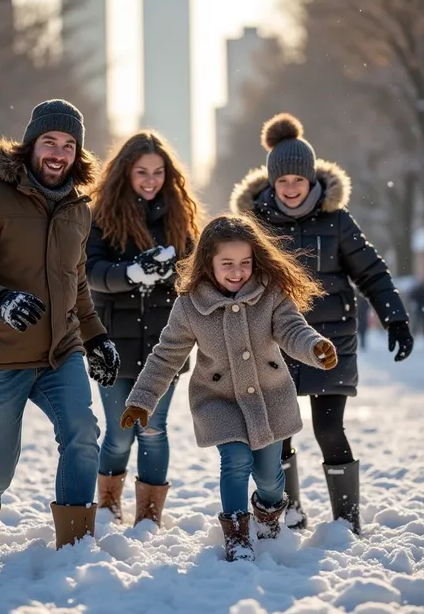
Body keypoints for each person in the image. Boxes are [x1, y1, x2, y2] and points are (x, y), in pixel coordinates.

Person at [230, 112, 413, 534]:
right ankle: (289, 513)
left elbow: (371, 272)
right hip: (274, 344)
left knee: (329, 428)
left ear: (311, 181)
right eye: (283, 182)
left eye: (299, 180)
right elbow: (235, 274)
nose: (291, 189)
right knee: (282, 433)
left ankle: (346, 522)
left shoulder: (336, 221)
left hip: (331, 342)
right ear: (272, 183)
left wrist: (395, 317)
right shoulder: (256, 224)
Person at [0, 99, 120, 548]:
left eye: (68, 145)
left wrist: (96, 336)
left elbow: (76, 282)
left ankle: (76, 541)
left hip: (60, 352)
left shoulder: (78, 208)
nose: (58, 153)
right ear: (30, 145)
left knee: (84, 437)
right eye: (50, 141)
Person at [120, 214, 338, 562]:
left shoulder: (270, 293)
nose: (237, 272)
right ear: (209, 262)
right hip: (218, 401)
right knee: (234, 462)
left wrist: (314, 347)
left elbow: (292, 329)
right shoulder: (190, 305)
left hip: (269, 399)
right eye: (227, 264)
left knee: (268, 477)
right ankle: (237, 535)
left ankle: (268, 516)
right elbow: (166, 355)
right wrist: (142, 400)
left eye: (244, 263)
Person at [86, 130, 200, 527]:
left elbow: (195, 275)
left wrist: (171, 273)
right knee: (119, 434)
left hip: (164, 346)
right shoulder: (100, 215)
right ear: (125, 173)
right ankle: (107, 504)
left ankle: (149, 514)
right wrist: (132, 273)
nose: (151, 180)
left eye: (158, 172)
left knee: (153, 429)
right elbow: (91, 273)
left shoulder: (180, 217)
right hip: (111, 344)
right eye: (142, 172)